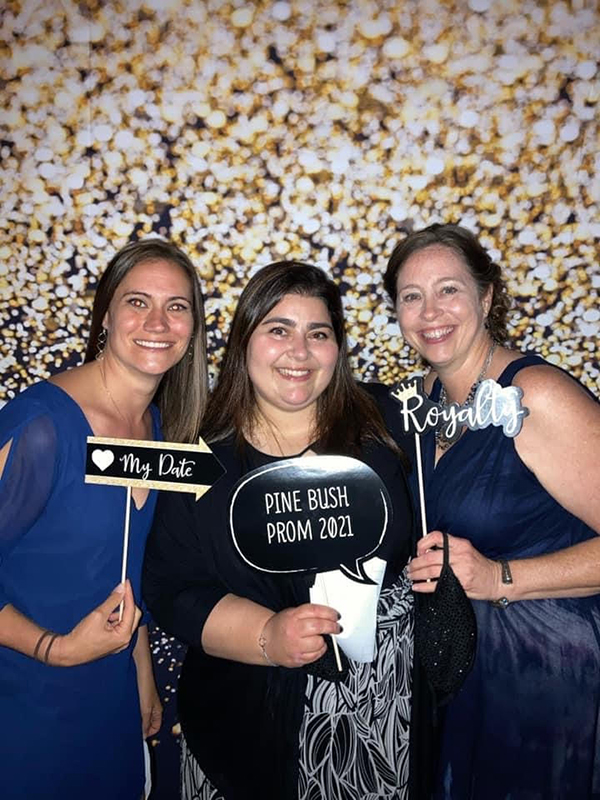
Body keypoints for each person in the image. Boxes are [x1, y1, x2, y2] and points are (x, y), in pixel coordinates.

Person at [143, 261, 417, 800]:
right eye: (278, 330)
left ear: (338, 348)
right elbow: (173, 589)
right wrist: (267, 635)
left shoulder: (386, 427)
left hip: (377, 721)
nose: (300, 351)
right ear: (244, 341)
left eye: (318, 333)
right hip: (242, 725)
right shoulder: (201, 462)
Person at [382, 222, 600, 800]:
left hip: (549, 673)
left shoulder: (539, 396)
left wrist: (503, 577)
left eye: (448, 289)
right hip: (461, 669)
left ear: (485, 297)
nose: (431, 312)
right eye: (411, 296)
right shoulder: (419, 400)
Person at [0, 238, 208, 800]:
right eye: (137, 302)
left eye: (177, 306)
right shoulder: (40, 425)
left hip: (111, 709)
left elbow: (122, 563)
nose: (158, 322)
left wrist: (140, 669)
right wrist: (55, 648)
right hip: (27, 715)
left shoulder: (157, 427)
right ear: (107, 315)